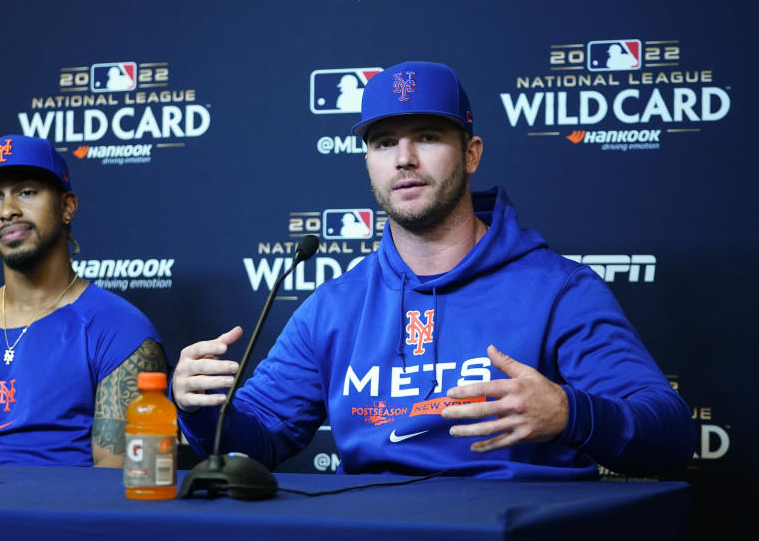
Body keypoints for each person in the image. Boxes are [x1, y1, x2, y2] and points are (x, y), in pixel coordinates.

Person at [172, 61, 695, 479]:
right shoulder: (335, 305)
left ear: (471, 154)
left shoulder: (558, 290)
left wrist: (570, 413)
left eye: (426, 136)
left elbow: (670, 435)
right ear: (369, 164)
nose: (404, 159)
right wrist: (200, 412)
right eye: (383, 143)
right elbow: (260, 440)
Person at [0, 134, 166, 467]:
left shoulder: (121, 329)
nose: (7, 210)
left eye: (27, 192)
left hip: (58, 514)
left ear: (67, 206)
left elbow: (115, 473)